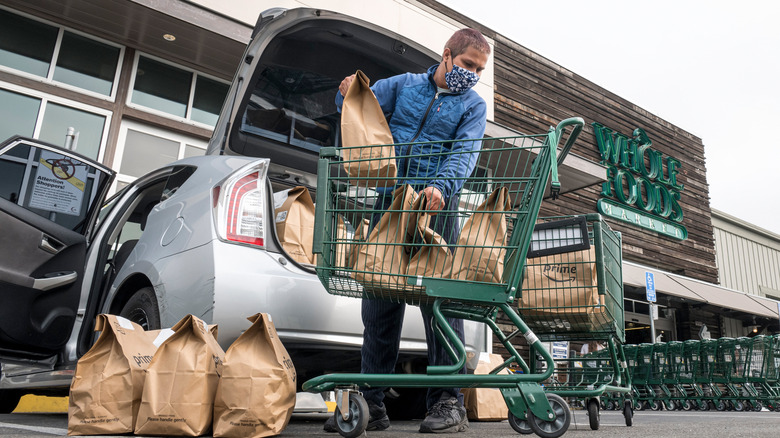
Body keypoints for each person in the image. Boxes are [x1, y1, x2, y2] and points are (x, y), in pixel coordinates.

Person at [325, 29, 491, 434]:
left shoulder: (472, 105)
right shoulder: (403, 86)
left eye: (479, 70)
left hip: (438, 206)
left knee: (441, 306)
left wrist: (442, 186)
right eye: (468, 65)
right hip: (391, 200)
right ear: (447, 55)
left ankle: (448, 401)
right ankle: (371, 402)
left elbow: (465, 153)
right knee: (380, 300)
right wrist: (346, 91)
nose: (471, 75)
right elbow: (358, 108)